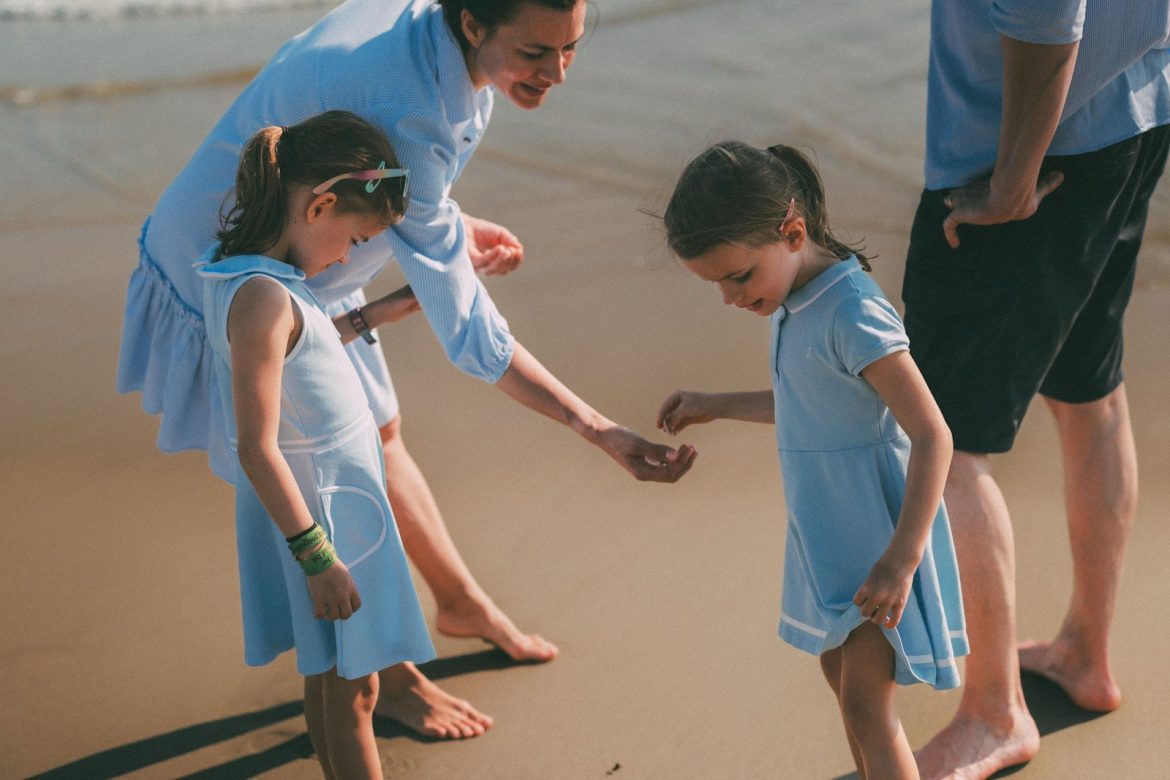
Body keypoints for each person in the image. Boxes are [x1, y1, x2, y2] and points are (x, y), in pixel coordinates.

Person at [117, 0, 696, 740]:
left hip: (322, 239)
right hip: (245, 265)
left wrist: (440, 224)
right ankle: (389, 676)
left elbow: (398, 173)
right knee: (337, 462)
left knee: (380, 433)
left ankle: (458, 604)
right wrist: (597, 428)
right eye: (534, 53)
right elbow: (472, 334)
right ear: (473, 25)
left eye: (571, 48)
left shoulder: (439, 39)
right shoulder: (408, 105)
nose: (556, 74)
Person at [901, 2, 1170, 776]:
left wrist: (1013, 181)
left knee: (944, 438)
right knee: (1090, 387)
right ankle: (1085, 654)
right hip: (1135, 107)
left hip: (1028, 151)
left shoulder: (1017, 166)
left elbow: (1049, 17)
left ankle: (994, 712)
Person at [656, 142, 967, 779]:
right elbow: (811, 402)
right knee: (839, 677)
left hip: (878, 535)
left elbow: (934, 434)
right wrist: (715, 403)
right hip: (827, 533)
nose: (729, 298)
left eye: (738, 276)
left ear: (792, 232)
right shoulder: (793, 298)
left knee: (866, 705)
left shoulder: (851, 311)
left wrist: (901, 560)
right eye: (716, 284)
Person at [200, 111, 434, 779]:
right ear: (321, 203)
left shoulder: (247, 281)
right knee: (356, 687)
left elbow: (301, 352)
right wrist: (317, 556)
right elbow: (256, 447)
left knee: (331, 672)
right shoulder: (262, 301)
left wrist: (373, 314)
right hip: (328, 520)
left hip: (333, 509)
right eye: (355, 238)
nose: (350, 256)